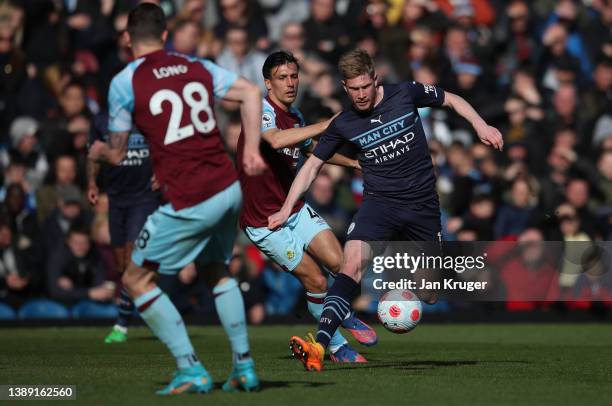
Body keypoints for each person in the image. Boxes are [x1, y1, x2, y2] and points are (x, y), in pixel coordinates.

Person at [268, 49, 503, 371]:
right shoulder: (345, 122)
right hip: (379, 204)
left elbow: (451, 99)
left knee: (430, 293)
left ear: (375, 79)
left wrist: (481, 125)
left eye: (365, 87)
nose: (361, 95)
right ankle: (319, 346)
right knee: (350, 265)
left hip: (422, 206)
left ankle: (402, 287)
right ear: (344, 87)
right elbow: (311, 167)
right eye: (354, 89)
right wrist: (284, 209)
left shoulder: (405, 93)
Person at [88, 3, 265, 395]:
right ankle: (244, 368)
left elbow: (116, 154)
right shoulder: (196, 66)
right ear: (166, 35)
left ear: (128, 38)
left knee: (136, 279)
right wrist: (251, 150)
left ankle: (190, 368)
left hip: (191, 196)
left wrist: (97, 151)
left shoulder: (125, 80)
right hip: (228, 186)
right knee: (215, 269)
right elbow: (252, 92)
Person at [237, 51, 377, 363]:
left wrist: (354, 163)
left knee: (341, 265)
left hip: (294, 208)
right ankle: (339, 346)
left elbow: (312, 148)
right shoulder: (259, 109)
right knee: (316, 281)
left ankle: (343, 314)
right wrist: (328, 123)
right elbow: (274, 140)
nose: (290, 83)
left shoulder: (296, 116)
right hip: (264, 221)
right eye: (282, 78)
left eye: (294, 76)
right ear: (268, 83)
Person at [87, 113, 160, 344]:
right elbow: (93, 154)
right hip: (116, 199)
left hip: (144, 198)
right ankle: (153, 308)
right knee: (122, 267)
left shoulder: (149, 114)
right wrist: (91, 183)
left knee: (131, 262)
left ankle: (121, 325)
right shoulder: (100, 121)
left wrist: (162, 170)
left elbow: (167, 145)